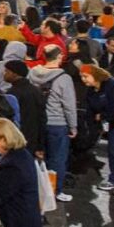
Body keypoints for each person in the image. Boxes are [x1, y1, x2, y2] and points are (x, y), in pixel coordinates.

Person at [28, 44, 78, 201]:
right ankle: (54, 192)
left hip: (37, 124)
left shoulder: (32, 73)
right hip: (57, 125)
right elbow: (69, 105)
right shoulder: (64, 78)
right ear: (59, 56)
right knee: (57, 160)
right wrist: (73, 126)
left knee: (37, 159)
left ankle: (38, 191)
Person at [82, 64, 114, 196]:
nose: (83, 79)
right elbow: (91, 112)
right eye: (82, 76)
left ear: (96, 75)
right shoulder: (91, 91)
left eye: (86, 76)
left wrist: (103, 116)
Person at [1, 61, 45, 155]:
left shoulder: (12, 94)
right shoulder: (35, 90)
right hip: (34, 138)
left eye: (6, 71)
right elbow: (42, 118)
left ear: (14, 73)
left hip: (18, 138)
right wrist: (41, 144)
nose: (4, 74)